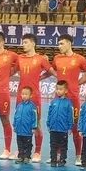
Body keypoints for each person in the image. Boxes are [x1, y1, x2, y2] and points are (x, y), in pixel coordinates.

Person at [15, 34, 56, 163]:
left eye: (26, 42)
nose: (23, 45)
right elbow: (11, 71)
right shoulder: (20, 58)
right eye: (23, 42)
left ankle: (37, 151)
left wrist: (41, 77)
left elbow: (52, 71)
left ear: (33, 43)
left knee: (36, 124)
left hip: (35, 97)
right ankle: (21, 151)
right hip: (20, 96)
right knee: (21, 122)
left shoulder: (41, 59)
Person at [53, 35, 86, 164]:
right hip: (58, 98)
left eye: (62, 43)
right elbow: (52, 70)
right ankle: (58, 155)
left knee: (75, 127)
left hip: (73, 98)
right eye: (59, 44)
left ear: (69, 43)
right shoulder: (57, 58)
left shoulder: (79, 59)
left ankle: (78, 156)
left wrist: (77, 83)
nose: (59, 46)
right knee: (59, 126)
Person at [47, 81, 75, 167]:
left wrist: (70, 127)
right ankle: (53, 159)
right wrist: (48, 124)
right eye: (57, 89)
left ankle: (62, 160)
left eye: (60, 89)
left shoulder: (68, 103)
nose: (58, 91)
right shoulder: (53, 102)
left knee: (63, 146)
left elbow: (70, 116)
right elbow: (49, 114)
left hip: (63, 129)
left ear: (66, 91)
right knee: (53, 145)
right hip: (53, 129)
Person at [12, 86, 38, 164]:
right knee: (20, 144)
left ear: (30, 95)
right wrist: (14, 125)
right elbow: (16, 116)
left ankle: (27, 156)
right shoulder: (19, 105)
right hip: (19, 130)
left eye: (26, 94)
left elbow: (35, 117)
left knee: (28, 144)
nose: (24, 96)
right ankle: (21, 156)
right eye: (23, 94)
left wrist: (34, 127)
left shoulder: (32, 106)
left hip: (27, 130)